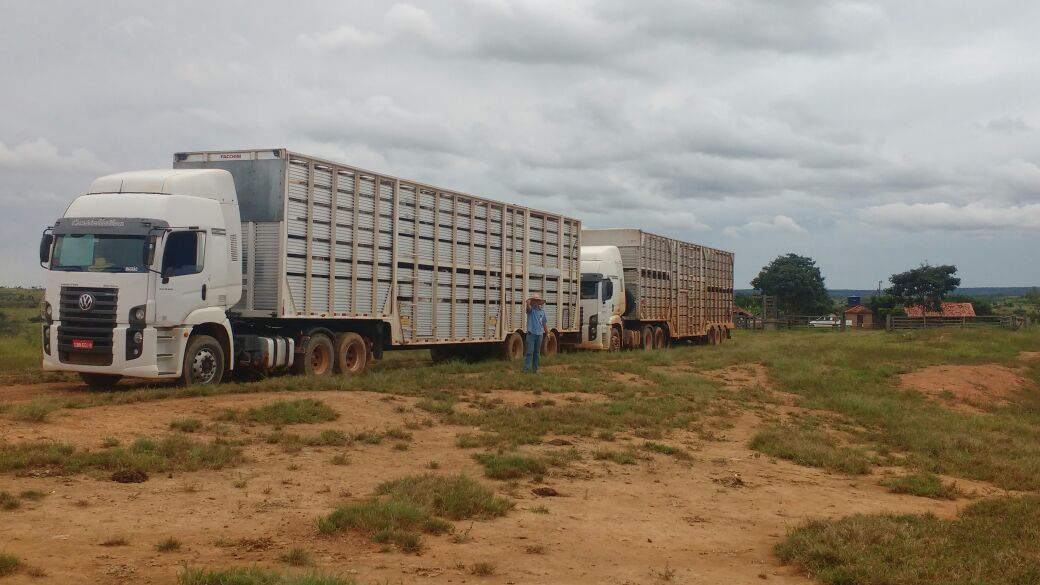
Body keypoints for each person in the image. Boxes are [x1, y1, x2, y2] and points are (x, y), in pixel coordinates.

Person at [523, 293, 549, 373]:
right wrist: (528, 303)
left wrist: (547, 333)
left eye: (537, 300)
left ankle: (535, 369)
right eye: (534, 300)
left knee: (537, 353)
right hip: (531, 334)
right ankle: (526, 370)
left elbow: (544, 323)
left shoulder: (542, 311)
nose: (535, 302)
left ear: (539, 302)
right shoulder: (531, 310)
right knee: (530, 352)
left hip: (539, 334)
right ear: (532, 302)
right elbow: (527, 309)